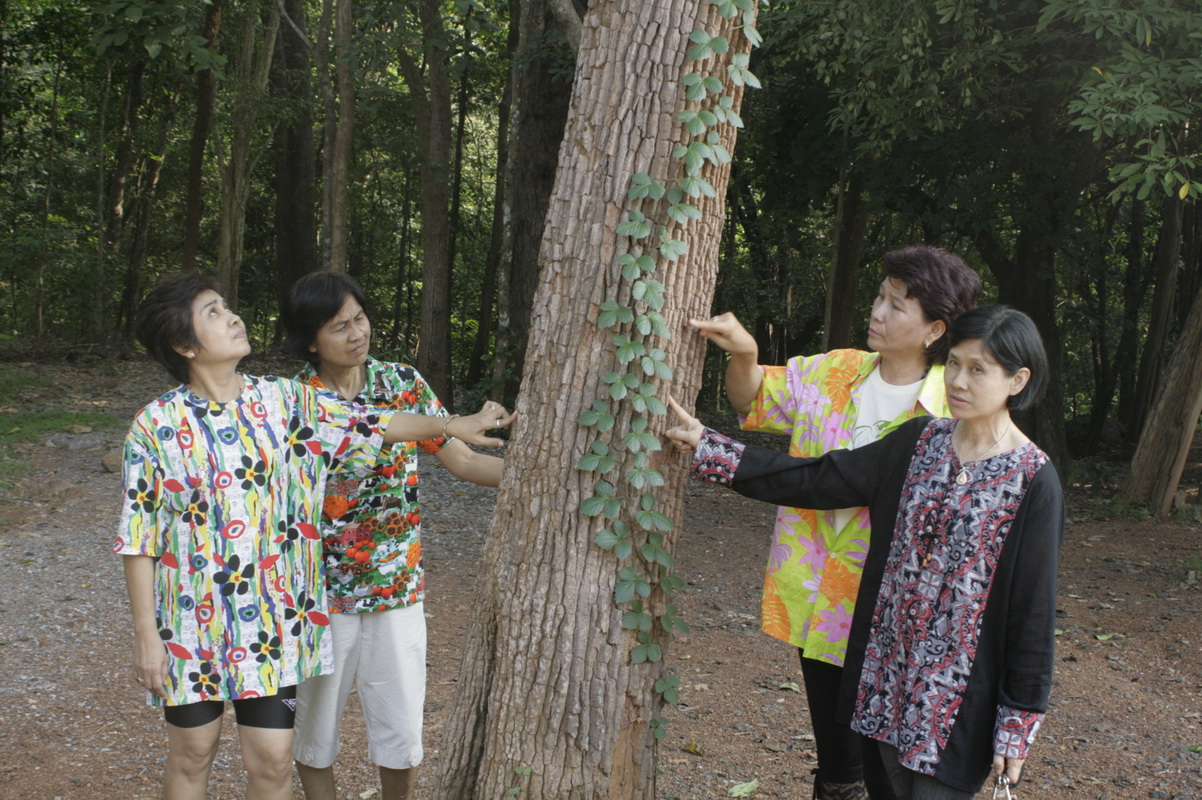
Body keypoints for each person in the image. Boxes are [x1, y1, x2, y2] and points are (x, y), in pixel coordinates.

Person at [113, 272, 512, 800]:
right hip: (192, 621)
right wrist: (147, 635)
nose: (233, 317)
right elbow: (139, 536)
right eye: (213, 312)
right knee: (193, 752)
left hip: (273, 620)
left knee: (275, 760)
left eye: (227, 306)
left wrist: (450, 425)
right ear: (184, 345)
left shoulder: (284, 401)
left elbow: (368, 423)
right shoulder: (155, 425)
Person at [667, 305, 1064, 800]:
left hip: (955, 702)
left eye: (978, 370)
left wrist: (1017, 724)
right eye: (955, 364)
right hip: (883, 682)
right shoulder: (919, 442)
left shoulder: (1032, 480)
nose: (959, 381)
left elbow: (1032, 613)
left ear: (1017, 380)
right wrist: (711, 449)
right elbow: (819, 478)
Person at [689, 245, 981, 800]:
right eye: (879, 297)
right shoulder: (835, 370)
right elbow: (755, 400)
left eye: (896, 305)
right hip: (821, 593)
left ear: (934, 329)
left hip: (898, 606)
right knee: (837, 755)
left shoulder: (953, 406)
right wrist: (746, 355)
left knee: (891, 760)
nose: (878, 311)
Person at [281, 272, 503, 800]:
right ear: (311, 340)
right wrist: (448, 423)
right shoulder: (294, 402)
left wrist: (545, 476)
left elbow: (466, 461)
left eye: (360, 318)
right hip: (320, 594)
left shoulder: (401, 381)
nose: (357, 333)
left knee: (400, 732)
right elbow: (372, 428)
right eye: (339, 326)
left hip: (397, 585)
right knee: (314, 733)